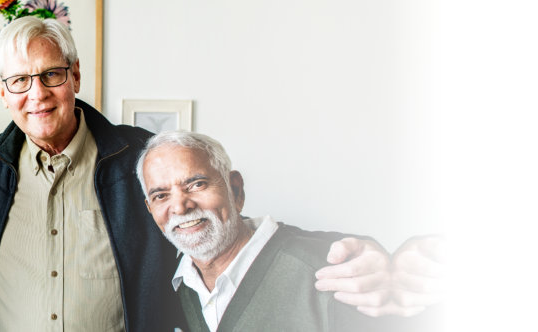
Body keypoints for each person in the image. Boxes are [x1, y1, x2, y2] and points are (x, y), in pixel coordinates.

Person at [0, 16, 403, 331]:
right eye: (19, 81)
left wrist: (349, 255)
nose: (37, 93)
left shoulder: (137, 156)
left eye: (51, 75)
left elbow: (217, 222)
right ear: (4, 92)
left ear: (75, 76)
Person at [138, 130, 441, 331]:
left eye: (196, 184)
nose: (180, 206)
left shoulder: (335, 271)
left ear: (235, 189)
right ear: (151, 209)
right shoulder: (174, 289)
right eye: (161, 195)